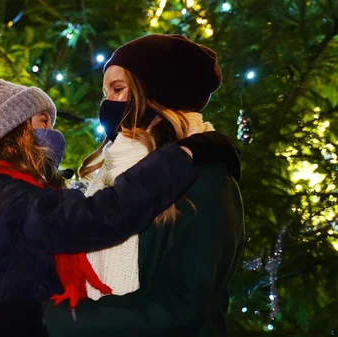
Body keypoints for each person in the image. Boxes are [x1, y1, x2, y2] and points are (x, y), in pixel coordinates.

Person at [0, 73, 238, 337]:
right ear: (13, 130)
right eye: (43, 121)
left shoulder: (1, 189)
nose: (53, 134)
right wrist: (183, 156)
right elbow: (96, 218)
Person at [42, 34, 245, 337]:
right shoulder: (103, 178)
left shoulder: (207, 178)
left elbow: (178, 309)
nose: (107, 103)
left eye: (118, 89)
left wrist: (47, 320)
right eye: (105, 92)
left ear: (156, 93)